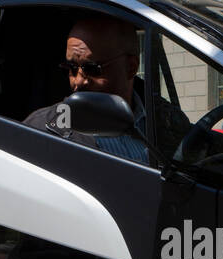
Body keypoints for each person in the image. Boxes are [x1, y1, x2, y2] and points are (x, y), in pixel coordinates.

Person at [23, 17, 189, 163]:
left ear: (131, 67)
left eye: (92, 68)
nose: (79, 81)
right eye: (71, 68)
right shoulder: (43, 130)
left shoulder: (169, 121)